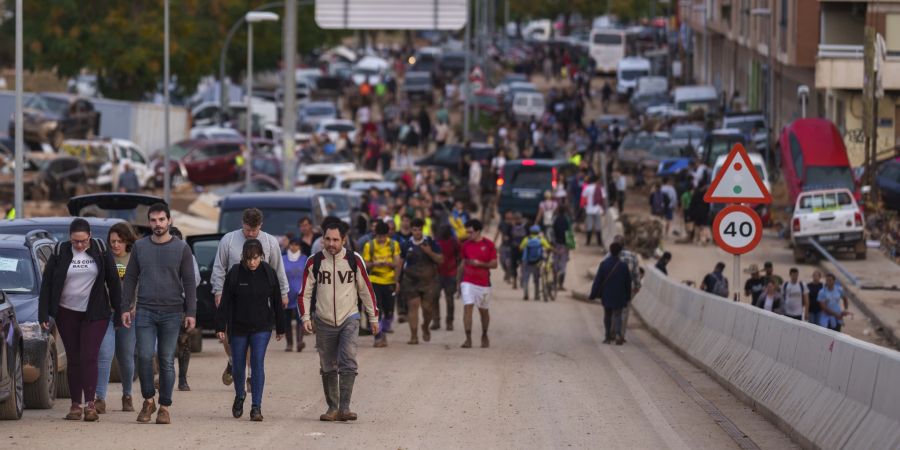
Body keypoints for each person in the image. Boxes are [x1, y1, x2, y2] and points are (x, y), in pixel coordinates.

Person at [39, 218, 122, 422]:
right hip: (67, 312)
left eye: (83, 241)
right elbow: (47, 285)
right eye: (75, 241)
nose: (79, 245)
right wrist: (44, 314)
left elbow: (113, 281)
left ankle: (90, 404)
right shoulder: (60, 253)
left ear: (90, 236)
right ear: (69, 238)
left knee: (89, 356)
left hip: (95, 312)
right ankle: (75, 404)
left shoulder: (100, 250)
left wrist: (120, 311)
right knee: (74, 358)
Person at [121, 203, 197, 424]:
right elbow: (131, 278)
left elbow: (190, 282)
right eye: (153, 220)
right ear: (149, 222)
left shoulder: (181, 248)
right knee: (144, 356)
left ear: (169, 221)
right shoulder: (140, 247)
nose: (157, 224)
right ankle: (148, 400)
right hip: (144, 310)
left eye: (161, 220)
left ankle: (164, 406)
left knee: (165, 360)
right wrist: (126, 307)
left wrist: (191, 311)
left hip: (172, 312)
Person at [299, 219, 378, 422]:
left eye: (335, 239)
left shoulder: (354, 259)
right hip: (323, 320)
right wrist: (305, 317)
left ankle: (345, 407)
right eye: (327, 239)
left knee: (348, 361)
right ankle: (332, 408)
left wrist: (373, 317)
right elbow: (304, 293)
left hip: (349, 318)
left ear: (344, 239)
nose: (331, 243)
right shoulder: (314, 261)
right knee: (327, 365)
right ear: (322, 239)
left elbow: (366, 290)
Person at [211, 208, 289, 387]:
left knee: (253, 338)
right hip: (233, 298)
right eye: (247, 230)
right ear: (242, 224)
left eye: (254, 230)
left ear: (261, 226)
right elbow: (219, 268)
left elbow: (278, 269)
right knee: (227, 337)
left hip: (259, 299)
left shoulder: (270, 242)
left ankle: (250, 375)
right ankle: (232, 360)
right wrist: (218, 291)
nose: (251, 234)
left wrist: (283, 292)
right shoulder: (228, 241)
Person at [215, 239, 285, 422]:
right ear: (243, 258)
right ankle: (240, 396)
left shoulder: (268, 272)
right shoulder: (235, 273)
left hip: (262, 326)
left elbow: (277, 300)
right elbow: (225, 302)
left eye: (255, 258)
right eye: (248, 259)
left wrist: (281, 327)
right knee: (238, 364)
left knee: (257, 363)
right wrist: (220, 326)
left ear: (261, 256)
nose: (252, 262)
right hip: (238, 326)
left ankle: (256, 407)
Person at [94, 223, 138, 414]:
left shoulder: (135, 258)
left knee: (126, 357)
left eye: (119, 241)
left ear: (127, 241)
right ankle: (100, 398)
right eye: (112, 241)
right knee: (105, 354)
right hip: (108, 313)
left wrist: (135, 305)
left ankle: (127, 395)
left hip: (129, 314)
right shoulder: (104, 259)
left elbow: (141, 283)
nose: (115, 245)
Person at [398, 218, 443, 344]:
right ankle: (413, 336)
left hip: (429, 282)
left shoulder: (430, 242)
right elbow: (400, 263)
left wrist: (429, 252)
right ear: (411, 230)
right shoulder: (406, 244)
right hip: (410, 281)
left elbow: (440, 260)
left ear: (422, 230)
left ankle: (425, 326)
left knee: (427, 309)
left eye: (419, 230)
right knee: (413, 307)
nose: (417, 232)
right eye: (414, 230)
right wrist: (397, 280)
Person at [168, 226, 201, 392]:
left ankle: (182, 379)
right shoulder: (160, 255)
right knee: (165, 343)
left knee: (184, 343)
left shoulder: (188, 256)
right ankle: (165, 377)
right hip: (164, 304)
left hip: (182, 304)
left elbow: (195, 280)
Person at [459, 220, 497, 348]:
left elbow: (494, 264)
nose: (468, 234)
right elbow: (463, 263)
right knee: (467, 308)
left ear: (478, 231)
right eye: (467, 232)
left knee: (483, 311)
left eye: (471, 232)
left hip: (484, 283)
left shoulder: (489, 244)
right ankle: (468, 338)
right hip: (468, 281)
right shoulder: (465, 245)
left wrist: (480, 264)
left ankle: (484, 334)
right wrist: (458, 282)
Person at [362, 221, 401, 347]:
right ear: (375, 234)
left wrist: (395, 277)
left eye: (384, 236)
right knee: (375, 310)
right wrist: (374, 264)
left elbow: (397, 262)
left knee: (389, 311)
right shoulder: (369, 245)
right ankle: (378, 337)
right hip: (374, 280)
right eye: (379, 236)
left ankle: (383, 331)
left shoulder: (394, 245)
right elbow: (365, 263)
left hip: (389, 280)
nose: (381, 239)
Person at [589, 242, 632, 345]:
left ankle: (607, 337)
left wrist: (593, 294)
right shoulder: (623, 266)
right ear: (619, 252)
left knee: (607, 315)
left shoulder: (604, 264)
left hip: (607, 295)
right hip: (620, 295)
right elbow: (628, 283)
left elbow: (598, 281)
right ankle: (617, 334)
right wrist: (627, 297)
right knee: (618, 315)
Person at [611, 235, 641, 342]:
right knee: (624, 311)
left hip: (613, 288)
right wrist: (637, 286)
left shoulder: (610, 256)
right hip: (627, 289)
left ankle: (612, 333)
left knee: (613, 310)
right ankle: (620, 335)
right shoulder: (632, 256)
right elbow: (636, 274)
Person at [433, 225, 461, 330]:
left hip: (450, 273)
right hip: (438, 273)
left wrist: (456, 265)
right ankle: (437, 320)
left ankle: (449, 321)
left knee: (449, 299)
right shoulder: (436, 242)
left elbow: (460, 254)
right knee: (435, 298)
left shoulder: (453, 242)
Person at [282, 238, 307, 352]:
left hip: (300, 294)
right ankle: (289, 344)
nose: (294, 247)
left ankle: (299, 342)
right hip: (286, 294)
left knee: (300, 318)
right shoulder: (283, 259)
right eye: (292, 244)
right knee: (286, 320)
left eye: (296, 245)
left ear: (300, 247)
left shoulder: (304, 259)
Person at [519, 225, 552, 301]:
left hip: (527, 262)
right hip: (537, 262)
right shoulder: (541, 240)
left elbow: (520, 248)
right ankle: (536, 295)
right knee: (536, 280)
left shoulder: (526, 239)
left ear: (530, 232)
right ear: (538, 232)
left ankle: (526, 294)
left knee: (526, 279)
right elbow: (548, 247)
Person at [551, 204, 572, 291]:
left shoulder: (554, 219)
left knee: (555, 264)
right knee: (563, 266)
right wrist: (569, 247)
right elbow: (569, 234)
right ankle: (561, 285)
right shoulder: (567, 220)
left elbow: (552, 232)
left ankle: (554, 283)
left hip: (556, 245)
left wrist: (552, 244)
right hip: (564, 246)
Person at [581, 176, 605, 247]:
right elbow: (603, 199)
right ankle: (599, 242)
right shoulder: (601, 188)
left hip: (589, 209)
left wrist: (585, 206)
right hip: (598, 209)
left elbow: (584, 198)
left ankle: (588, 242)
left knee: (589, 226)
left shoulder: (587, 188)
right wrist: (603, 209)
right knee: (598, 226)